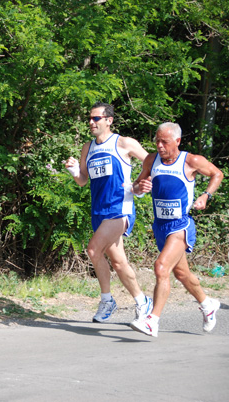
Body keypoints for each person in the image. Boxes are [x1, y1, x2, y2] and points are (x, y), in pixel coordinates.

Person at [130, 122, 224, 337]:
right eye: (157, 141)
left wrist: (205, 195)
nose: (160, 146)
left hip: (181, 225)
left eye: (165, 142)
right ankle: (207, 304)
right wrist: (140, 189)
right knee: (181, 273)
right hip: (160, 225)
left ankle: (152, 320)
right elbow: (136, 186)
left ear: (178, 141)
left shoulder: (191, 161)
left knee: (161, 267)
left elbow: (217, 174)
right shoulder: (151, 160)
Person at [64, 102, 153, 323]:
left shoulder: (124, 143)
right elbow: (83, 181)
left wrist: (139, 186)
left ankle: (107, 300)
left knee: (93, 250)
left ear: (109, 120)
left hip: (120, 208)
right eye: (90, 118)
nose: (91, 122)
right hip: (99, 211)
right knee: (120, 263)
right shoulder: (88, 147)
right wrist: (74, 171)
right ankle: (143, 302)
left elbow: (152, 163)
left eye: (96, 118)